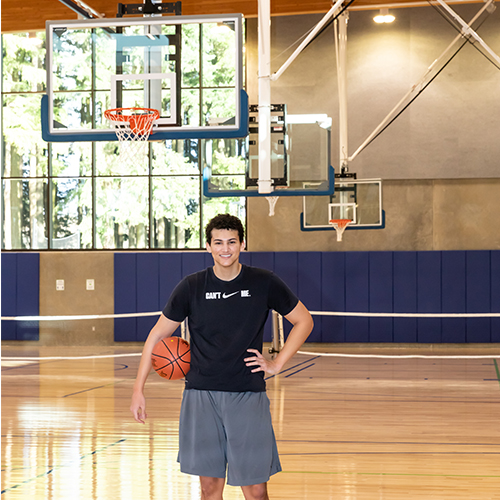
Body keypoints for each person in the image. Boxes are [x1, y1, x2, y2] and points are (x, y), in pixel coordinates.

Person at [130, 213, 313, 500]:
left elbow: (304, 321)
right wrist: (138, 389)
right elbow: (156, 336)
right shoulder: (192, 286)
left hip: (247, 394)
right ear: (208, 246)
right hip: (201, 395)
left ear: (242, 244)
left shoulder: (263, 282)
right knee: (209, 488)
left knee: (255, 490)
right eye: (218, 242)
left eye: (231, 242)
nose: (225, 249)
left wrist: (277, 364)